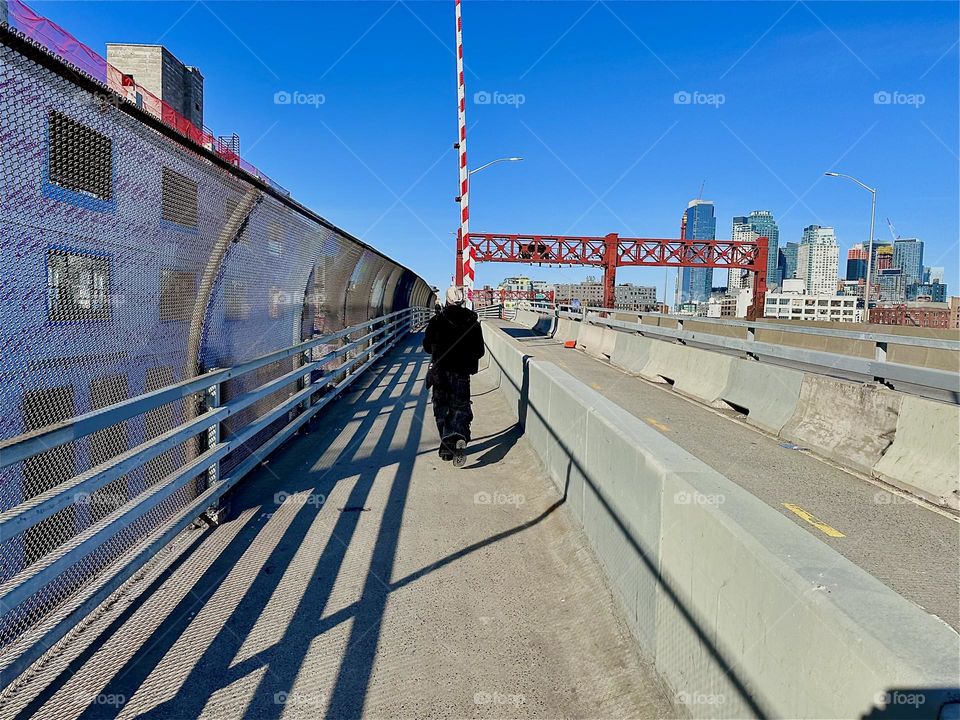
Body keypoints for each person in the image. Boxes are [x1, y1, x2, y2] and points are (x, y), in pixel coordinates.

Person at [422, 286, 485, 466]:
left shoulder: (437, 321)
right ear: (462, 301)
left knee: (441, 407)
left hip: (440, 372)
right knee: (460, 406)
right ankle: (459, 435)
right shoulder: (473, 322)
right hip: (462, 372)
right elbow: (479, 351)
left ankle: (446, 446)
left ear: (447, 300)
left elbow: (427, 347)